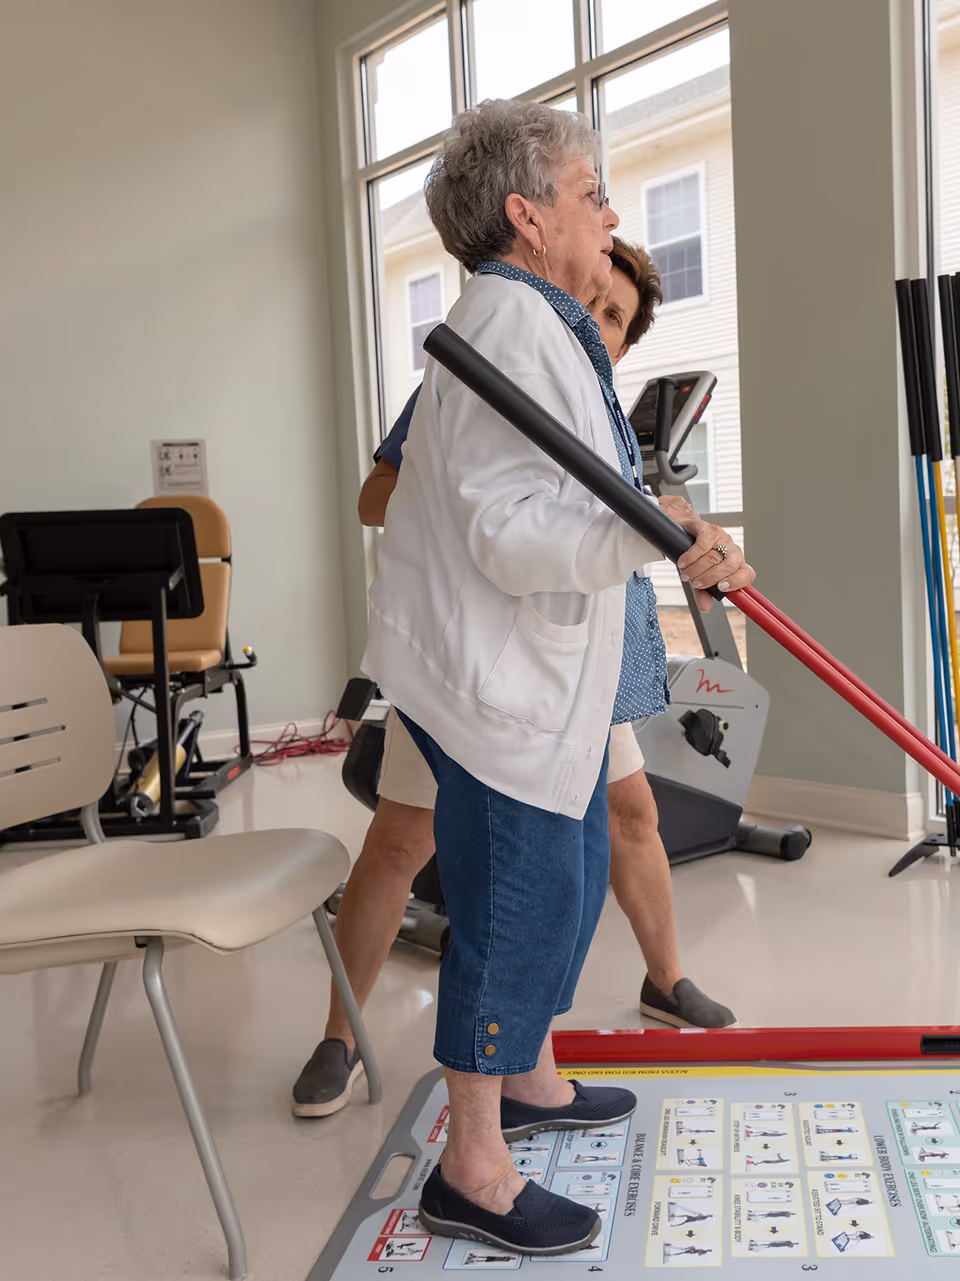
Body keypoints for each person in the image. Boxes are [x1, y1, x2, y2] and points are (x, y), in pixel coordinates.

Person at [355, 99, 755, 1256]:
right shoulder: (511, 324)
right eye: (591, 193)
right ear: (528, 216)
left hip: (543, 680)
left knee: (576, 873)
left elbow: (565, 506)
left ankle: (528, 1079)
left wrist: (660, 519)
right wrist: (655, 533)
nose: (611, 212)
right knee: (519, 909)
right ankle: (470, 1168)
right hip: (501, 688)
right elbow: (514, 536)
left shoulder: (535, 320)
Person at [291, 237, 740, 1125]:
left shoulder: (596, 403)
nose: (598, 325)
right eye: (593, 302)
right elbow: (374, 497)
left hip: (588, 655)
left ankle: (664, 979)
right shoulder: (482, 375)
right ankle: (340, 1034)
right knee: (400, 843)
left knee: (629, 816)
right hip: (481, 665)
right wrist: (457, 492)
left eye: (616, 318)